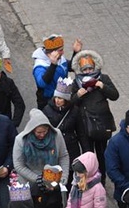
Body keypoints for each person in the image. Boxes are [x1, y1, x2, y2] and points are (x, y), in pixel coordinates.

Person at [12, 108, 70, 208]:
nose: (42, 135)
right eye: (39, 132)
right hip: (31, 186)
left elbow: (63, 156)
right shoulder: (20, 140)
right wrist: (40, 179)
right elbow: (18, 165)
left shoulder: (57, 135)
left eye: (45, 131)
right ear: (32, 130)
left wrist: (63, 177)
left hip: (53, 183)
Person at [70, 49, 119, 180]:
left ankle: (102, 178)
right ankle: (90, 178)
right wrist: (78, 95)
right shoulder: (76, 83)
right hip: (85, 126)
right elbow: (70, 102)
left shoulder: (103, 79)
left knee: (102, 153)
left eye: (90, 69)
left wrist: (101, 86)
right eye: (85, 70)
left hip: (101, 124)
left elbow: (115, 95)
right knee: (88, 154)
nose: (88, 72)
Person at [42, 77, 81, 181]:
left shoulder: (75, 111)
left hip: (70, 147)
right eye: (56, 97)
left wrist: (86, 151)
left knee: (69, 174)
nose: (57, 101)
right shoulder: (47, 110)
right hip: (53, 147)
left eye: (61, 98)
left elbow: (81, 132)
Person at [32, 35, 82, 110]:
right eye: (60, 50)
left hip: (63, 97)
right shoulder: (40, 66)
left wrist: (76, 53)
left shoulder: (60, 59)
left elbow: (71, 67)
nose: (63, 52)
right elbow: (42, 83)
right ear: (52, 52)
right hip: (48, 102)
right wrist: (53, 65)